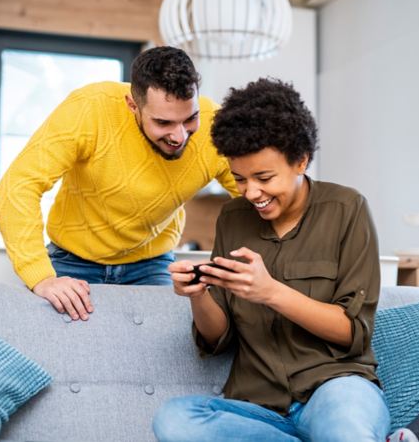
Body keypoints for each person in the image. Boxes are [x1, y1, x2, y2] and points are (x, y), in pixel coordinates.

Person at [153, 78, 396, 441]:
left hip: (335, 389)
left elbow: (353, 333)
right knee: (173, 419)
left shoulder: (346, 209)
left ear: (301, 160)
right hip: (258, 407)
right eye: (239, 179)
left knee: (344, 429)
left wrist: (270, 292)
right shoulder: (233, 218)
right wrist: (198, 295)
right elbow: (218, 338)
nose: (252, 192)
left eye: (264, 177)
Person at [0, 47, 238, 321]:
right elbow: (16, 188)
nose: (179, 136)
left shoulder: (214, 126)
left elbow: (255, 196)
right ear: (133, 105)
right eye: (163, 122)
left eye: (190, 118)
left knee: (174, 335)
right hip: (72, 260)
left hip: (151, 264)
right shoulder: (89, 107)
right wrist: (42, 278)